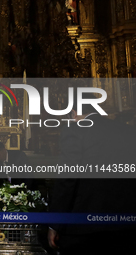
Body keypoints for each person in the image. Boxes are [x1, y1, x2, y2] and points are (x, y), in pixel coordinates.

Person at [48, 93, 136, 255]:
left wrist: (55, 223)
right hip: (125, 226)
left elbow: (67, 180)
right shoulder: (128, 131)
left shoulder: (75, 130)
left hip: (84, 228)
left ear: (73, 112)